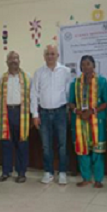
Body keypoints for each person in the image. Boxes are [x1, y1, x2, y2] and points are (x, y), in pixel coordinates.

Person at [31, 45, 72, 185]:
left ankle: (62, 172)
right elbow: (34, 93)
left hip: (60, 112)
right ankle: (48, 172)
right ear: (44, 56)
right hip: (43, 112)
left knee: (62, 144)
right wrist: (35, 115)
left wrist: (69, 110)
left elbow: (68, 92)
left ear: (57, 55)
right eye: (48, 54)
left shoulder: (66, 71)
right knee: (46, 145)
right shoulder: (39, 72)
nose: (50, 56)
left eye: (52, 54)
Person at [69, 55, 107, 188]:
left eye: (88, 64)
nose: (85, 67)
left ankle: (98, 179)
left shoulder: (101, 81)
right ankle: (86, 178)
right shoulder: (75, 83)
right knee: (82, 150)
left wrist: (92, 112)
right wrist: (77, 111)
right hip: (80, 121)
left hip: (97, 121)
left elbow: (106, 102)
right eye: (83, 64)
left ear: (94, 66)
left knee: (98, 150)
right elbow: (71, 102)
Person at [0, 51, 31, 183]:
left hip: (21, 113)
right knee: (6, 144)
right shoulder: (2, 78)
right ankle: (6, 172)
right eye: (10, 59)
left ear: (19, 61)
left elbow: (32, 97)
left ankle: (21, 172)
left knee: (22, 143)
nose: (13, 61)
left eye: (16, 58)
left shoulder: (27, 77)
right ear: (7, 62)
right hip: (6, 113)